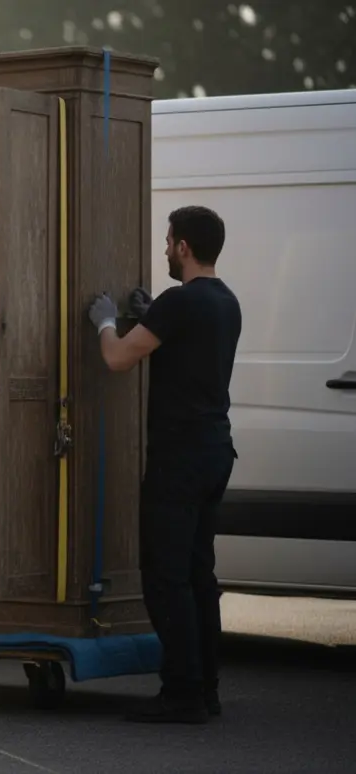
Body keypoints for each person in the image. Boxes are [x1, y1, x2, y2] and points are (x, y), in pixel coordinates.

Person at [86, 204, 241, 724]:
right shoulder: (225, 302)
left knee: (165, 576)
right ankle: (206, 688)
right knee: (199, 574)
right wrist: (152, 311)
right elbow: (186, 343)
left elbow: (117, 358)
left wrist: (106, 322)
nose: (165, 249)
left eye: (168, 240)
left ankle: (181, 693)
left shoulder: (180, 303)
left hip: (180, 456)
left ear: (184, 248)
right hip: (216, 451)